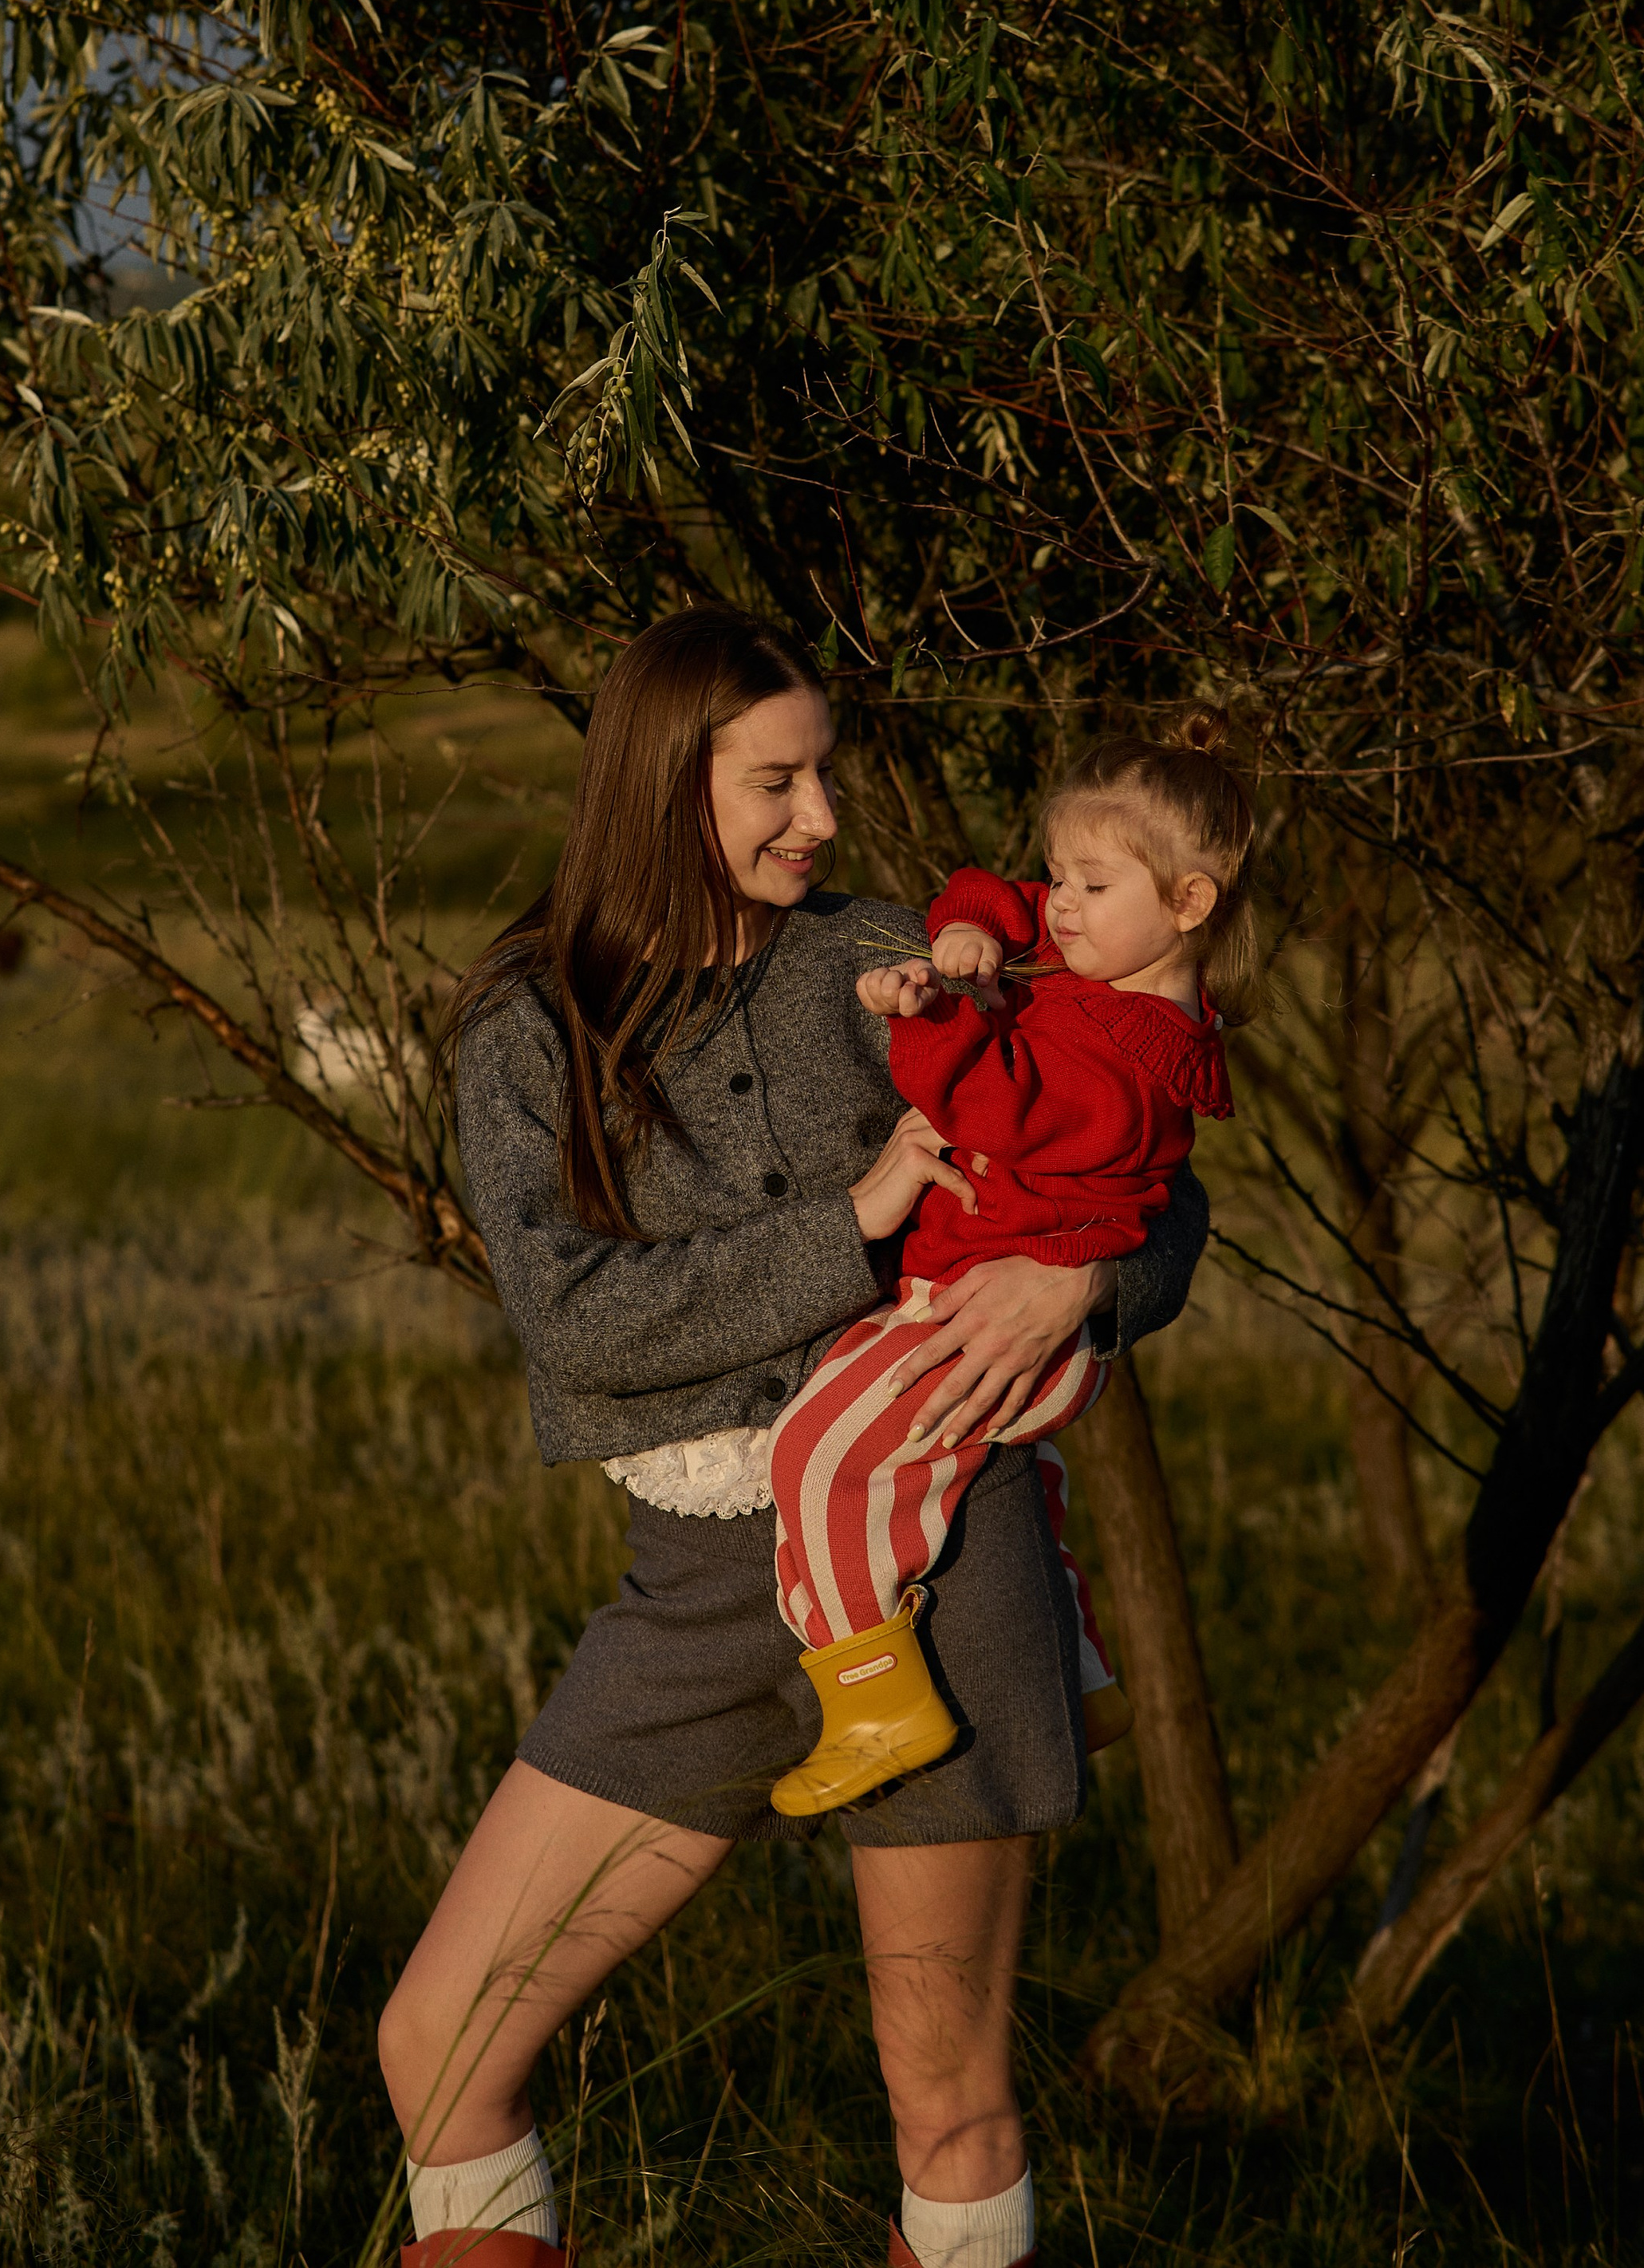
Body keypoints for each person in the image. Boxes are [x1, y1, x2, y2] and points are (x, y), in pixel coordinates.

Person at [378, 605, 1210, 2268]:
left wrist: (1085, 1284)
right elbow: (575, 1319)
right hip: (692, 1586)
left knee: (946, 2097)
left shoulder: (886, 956)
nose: (819, 818)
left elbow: (1152, 1171)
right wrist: (852, 1221)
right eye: (777, 780)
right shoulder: (526, 1022)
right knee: (440, 2045)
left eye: (821, 774)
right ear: (657, 785)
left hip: (943, 1559)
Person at [764, 719, 1257, 1818]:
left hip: (988, 1311)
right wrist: (973, 940)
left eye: (1089, 881)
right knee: (1021, 1481)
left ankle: (870, 1696)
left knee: (819, 1451)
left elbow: (991, 1102)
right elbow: (990, 893)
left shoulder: (1136, 1059)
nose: (1062, 903)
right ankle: (1081, 1684)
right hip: (982, 1295)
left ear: (1188, 905)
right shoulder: (1101, 953)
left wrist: (932, 1017)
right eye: (1061, 873)